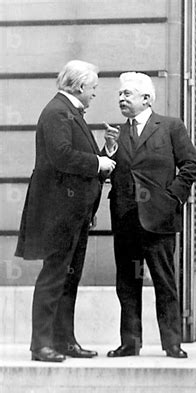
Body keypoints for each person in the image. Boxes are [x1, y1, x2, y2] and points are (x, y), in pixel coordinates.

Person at [15, 60, 116, 362]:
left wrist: (105, 152)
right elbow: (62, 157)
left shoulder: (66, 112)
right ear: (81, 86)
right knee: (54, 276)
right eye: (94, 88)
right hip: (60, 212)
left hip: (73, 212)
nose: (95, 94)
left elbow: (73, 157)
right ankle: (41, 345)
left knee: (67, 278)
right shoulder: (59, 112)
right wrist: (99, 163)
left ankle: (63, 341)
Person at [104, 72, 196, 358]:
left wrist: (171, 198)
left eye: (127, 94)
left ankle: (172, 343)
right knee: (126, 284)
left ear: (146, 99)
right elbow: (106, 170)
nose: (121, 98)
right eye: (120, 94)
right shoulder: (117, 134)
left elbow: (191, 166)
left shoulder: (170, 127)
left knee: (164, 281)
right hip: (125, 220)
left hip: (159, 220)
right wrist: (109, 150)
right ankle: (130, 343)